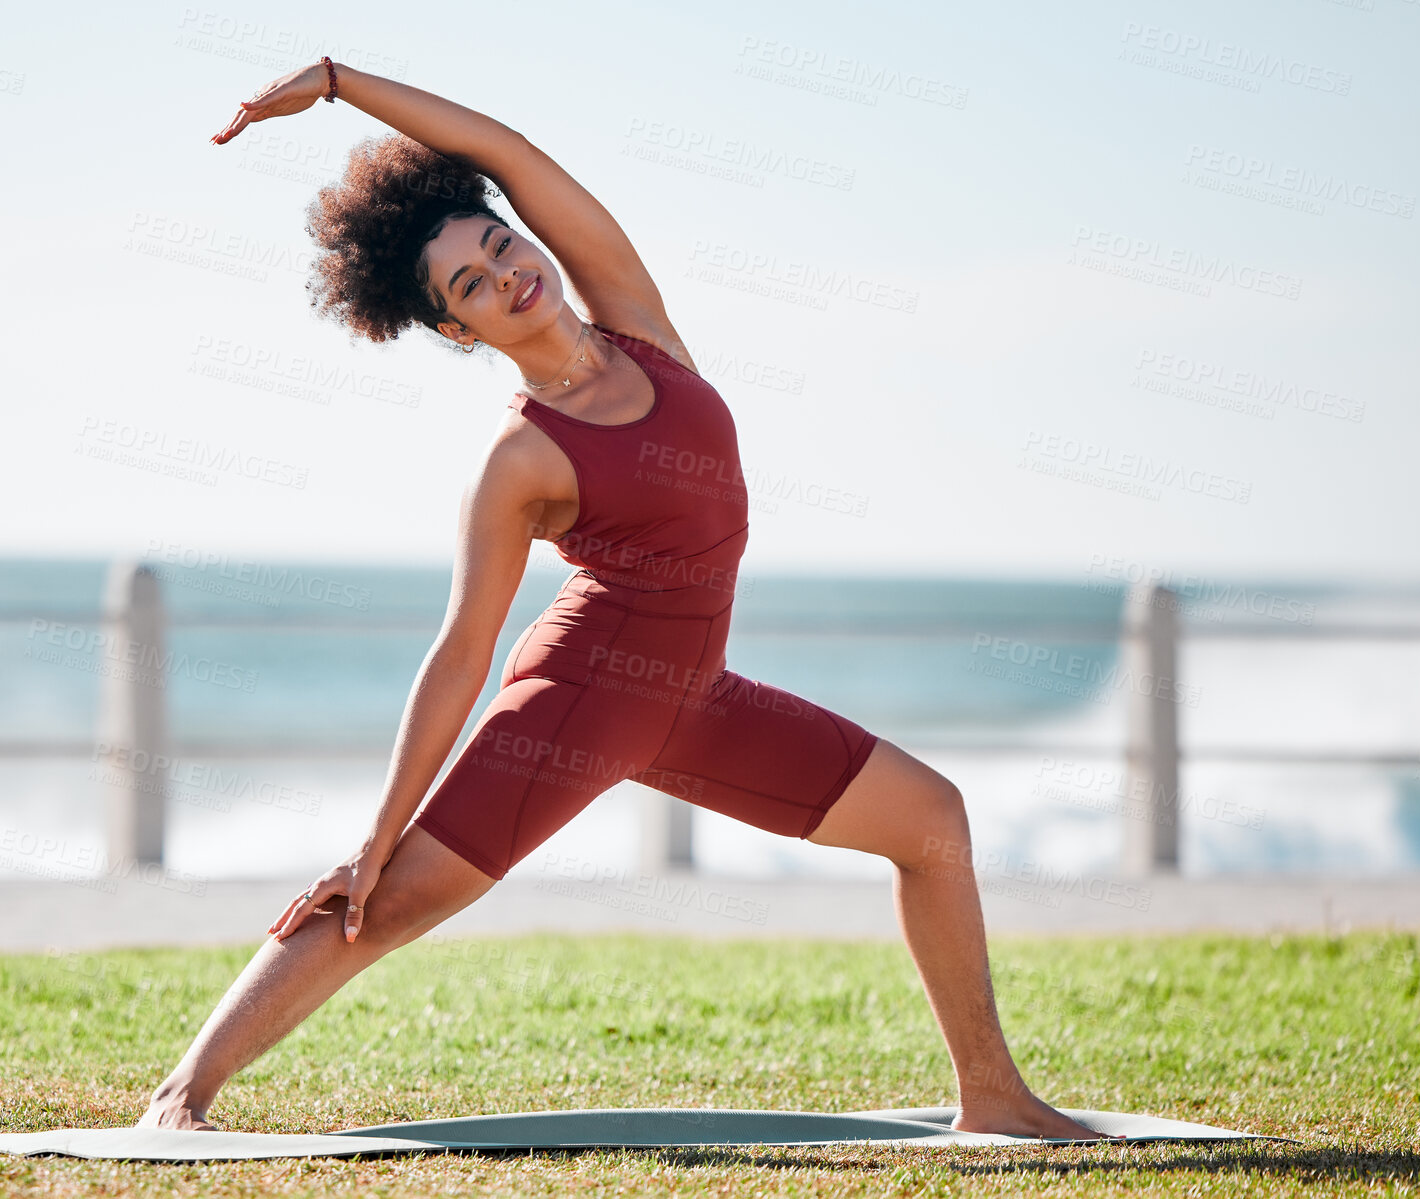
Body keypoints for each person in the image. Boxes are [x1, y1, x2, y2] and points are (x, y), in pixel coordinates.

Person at [136, 56, 1111, 1142]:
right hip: (578, 704)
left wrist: (335, 84)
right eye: (469, 285)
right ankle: (181, 1095)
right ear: (459, 331)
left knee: (933, 822)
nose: (505, 274)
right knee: (389, 898)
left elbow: (503, 154)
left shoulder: (635, 317)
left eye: (499, 244)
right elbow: (462, 648)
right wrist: (379, 828)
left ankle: (994, 1093)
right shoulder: (518, 457)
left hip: (695, 701)